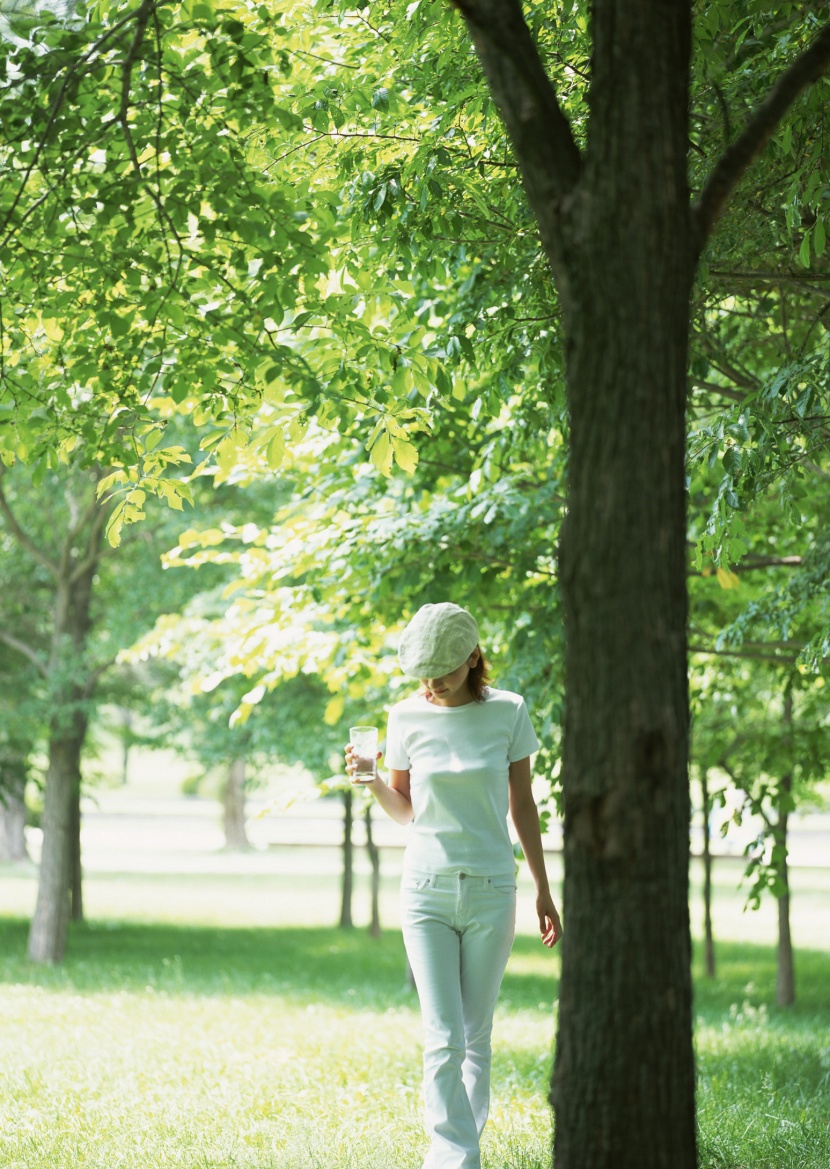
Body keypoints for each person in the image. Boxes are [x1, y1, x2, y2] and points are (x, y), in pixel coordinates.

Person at [345, 602, 562, 1169]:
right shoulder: (404, 718)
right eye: (424, 672)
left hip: (493, 888)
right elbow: (406, 810)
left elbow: (523, 806)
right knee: (442, 1036)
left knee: (474, 1035)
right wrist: (370, 781)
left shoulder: (509, 713)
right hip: (426, 890)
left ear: (472, 658)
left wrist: (542, 888)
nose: (432, 683)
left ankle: (462, 1145)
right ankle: (455, 1158)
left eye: (442, 670)